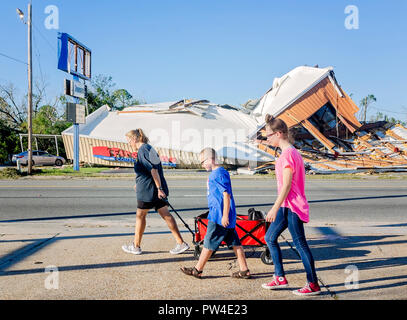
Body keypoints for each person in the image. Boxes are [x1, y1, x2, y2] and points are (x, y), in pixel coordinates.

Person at [261, 114, 321, 296]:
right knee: (270, 238)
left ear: (279, 134)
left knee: (300, 245)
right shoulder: (289, 152)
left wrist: (273, 208)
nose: (267, 139)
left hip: (293, 207)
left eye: (268, 136)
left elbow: (287, 186)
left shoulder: (288, 155)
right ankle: (280, 277)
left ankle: (313, 284)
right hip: (286, 206)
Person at [180, 148, 251, 279]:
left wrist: (224, 215)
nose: (202, 165)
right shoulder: (220, 172)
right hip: (221, 215)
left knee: (208, 242)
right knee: (235, 243)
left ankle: (198, 270)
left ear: (210, 159)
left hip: (219, 217)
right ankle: (244, 270)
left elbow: (226, 195)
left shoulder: (217, 174)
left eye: (202, 162)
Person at [121, 129, 189, 255]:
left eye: (129, 140)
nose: (128, 143)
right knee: (166, 214)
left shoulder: (143, 150)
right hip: (151, 188)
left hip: (149, 191)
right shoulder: (148, 148)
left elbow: (153, 170)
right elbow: (148, 170)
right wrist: (139, 183)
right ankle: (181, 243)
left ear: (135, 139)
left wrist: (159, 188)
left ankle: (136, 246)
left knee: (140, 216)